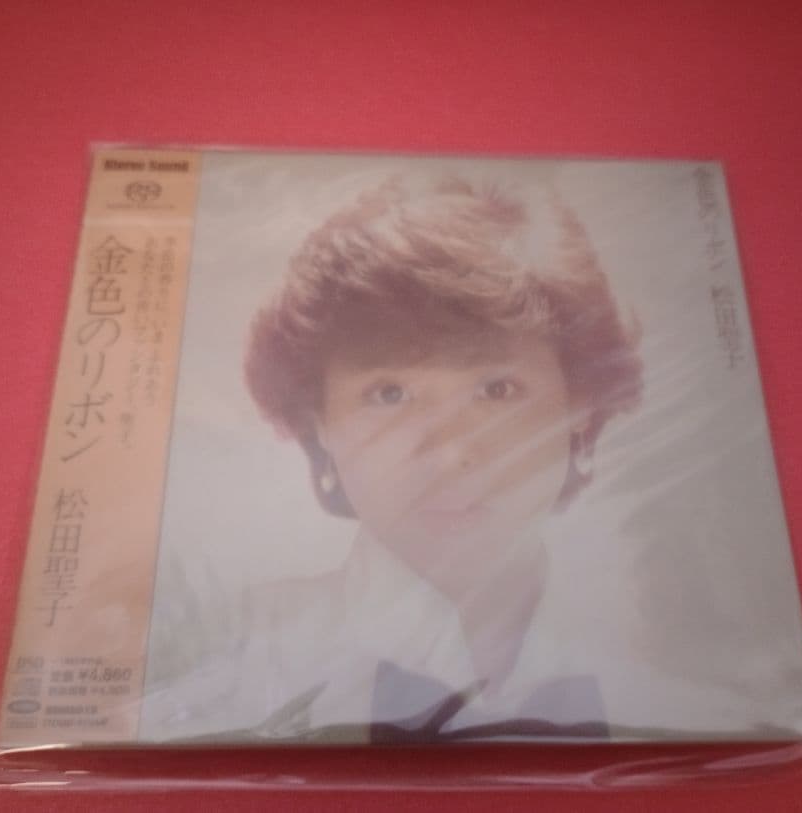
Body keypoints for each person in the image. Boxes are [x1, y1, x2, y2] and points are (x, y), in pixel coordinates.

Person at [148, 173, 643, 744]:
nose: (449, 455)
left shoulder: (686, 681)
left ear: (579, 402)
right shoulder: (223, 655)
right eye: (389, 394)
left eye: (497, 390)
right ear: (319, 422)